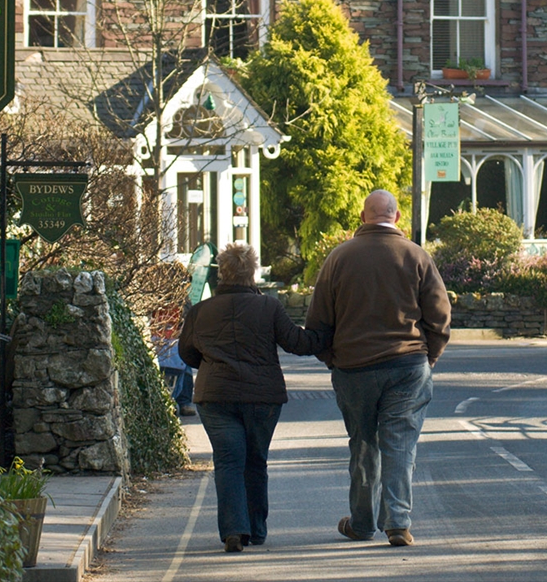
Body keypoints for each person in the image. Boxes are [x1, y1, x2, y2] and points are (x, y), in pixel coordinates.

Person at [306, 190, 451, 548]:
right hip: (407, 364)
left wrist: (333, 358)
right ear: (397, 217)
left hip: (354, 367)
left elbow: (318, 322)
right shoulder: (416, 256)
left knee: (363, 444)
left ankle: (361, 522)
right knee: (400, 444)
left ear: (362, 216)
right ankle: (398, 523)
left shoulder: (338, 258)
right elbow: (440, 317)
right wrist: (427, 358)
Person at [179, 243, 332, 554]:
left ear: (221, 272)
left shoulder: (199, 312)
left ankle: (234, 530)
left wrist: (212, 366)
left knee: (227, 460)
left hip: (215, 396)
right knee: (255, 460)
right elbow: (298, 343)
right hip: (262, 397)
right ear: (252, 273)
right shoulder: (269, 308)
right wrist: (328, 332)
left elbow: (187, 353)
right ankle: (257, 529)